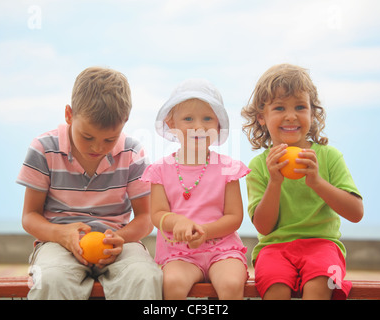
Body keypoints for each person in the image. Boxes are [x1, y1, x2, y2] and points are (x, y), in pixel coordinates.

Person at [16, 67, 163, 300]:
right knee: (51, 281)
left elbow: (146, 218)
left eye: (110, 139)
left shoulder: (133, 152)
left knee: (145, 277)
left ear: (125, 122)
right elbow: (29, 216)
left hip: (118, 243)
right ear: (69, 114)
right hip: (57, 244)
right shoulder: (43, 149)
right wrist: (61, 234)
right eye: (87, 137)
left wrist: (121, 238)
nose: (97, 148)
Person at [241, 63, 364, 300]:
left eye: (300, 107)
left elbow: (356, 213)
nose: (291, 115)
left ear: (312, 113)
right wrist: (274, 183)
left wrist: (317, 182)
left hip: (324, 246)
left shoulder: (329, 157)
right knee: (275, 286)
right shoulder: (259, 166)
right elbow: (263, 227)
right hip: (274, 248)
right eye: (279, 108)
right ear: (261, 118)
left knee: (320, 282)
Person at [141, 79, 250, 299]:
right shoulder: (160, 170)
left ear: (218, 125)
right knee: (173, 283)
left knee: (230, 284)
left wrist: (206, 232)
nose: (198, 126)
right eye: (188, 118)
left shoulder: (228, 168)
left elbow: (235, 216)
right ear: (171, 124)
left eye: (207, 118)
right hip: (179, 252)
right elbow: (157, 215)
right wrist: (178, 222)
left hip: (223, 250)